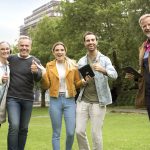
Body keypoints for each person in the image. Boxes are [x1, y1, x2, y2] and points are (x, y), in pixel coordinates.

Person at [76, 31, 118, 150]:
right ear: (84, 43)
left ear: (96, 42)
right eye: (88, 40)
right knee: (79, 131)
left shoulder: (105, 59)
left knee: (96, 134)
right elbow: (78, 82)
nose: (90, 42)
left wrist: (103, 70)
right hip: (83, 100)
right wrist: (82, 81)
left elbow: (114, 75)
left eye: (92, 40)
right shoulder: (81, 61)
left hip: (99, 102)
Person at [42, 42, 84, 150]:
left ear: (65, 51)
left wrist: (83, 82)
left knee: (70, 132)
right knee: (56, 133)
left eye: (62, 50)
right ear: (53, 52)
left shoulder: (73, 65)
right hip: (55, 100)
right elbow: (46, 85)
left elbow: (77, 83)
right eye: (57, 50)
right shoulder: (49, 65)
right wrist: (43, 75)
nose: (59, 52)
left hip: (69, 101)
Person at [6, 35, 42, 150]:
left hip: (28, 99)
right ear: (18, 46)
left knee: (24, 128)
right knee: (14, 126)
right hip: (12, 98)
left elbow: (38, 78)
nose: (24, 48)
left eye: (27, 46)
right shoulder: (11, 59)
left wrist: (36, 72)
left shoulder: (35, 60)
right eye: (22, 45)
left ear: (30, 47)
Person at [126, 14, 150, 120]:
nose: (147, 27)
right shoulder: (143, 47)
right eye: (144, 26)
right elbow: (144, 70)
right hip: (147, 91)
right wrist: (135, 76)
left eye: (149, 24)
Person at [0, 41, 11, 127]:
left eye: (7, 49)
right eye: (2, 49)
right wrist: (1, 80)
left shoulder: (9, 66)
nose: (5, 51)